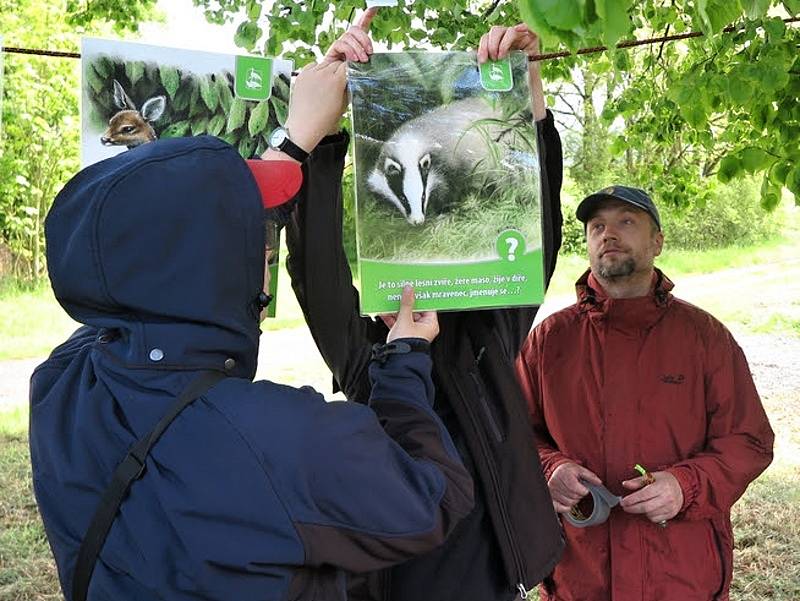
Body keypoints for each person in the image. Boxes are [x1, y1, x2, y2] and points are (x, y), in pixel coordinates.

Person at [29, 59, 475, 601]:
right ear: (207, 266)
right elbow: (435, 498)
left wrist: (298, 143)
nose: (265, 247)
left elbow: (143, 277)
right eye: (247, 236)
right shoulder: (282, 441)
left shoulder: (60, 386)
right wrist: (403, 358)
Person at [285, 16, 565, 601]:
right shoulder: (368, 362)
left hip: (494, 578)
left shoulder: (485, 335)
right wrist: (322, 136)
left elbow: (540, 228)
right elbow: (316, 268)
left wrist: (524, 86)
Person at [515, 185, 775, 601]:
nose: (608, 234)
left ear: (657, 242)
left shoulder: (704, 337)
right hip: (580, 577)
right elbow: (514, 433)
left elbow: (749, 441)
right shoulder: (549, 340)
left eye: (626, 222)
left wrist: (684, 486)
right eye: (597, 226)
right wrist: (551, 468)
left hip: (682, 576)